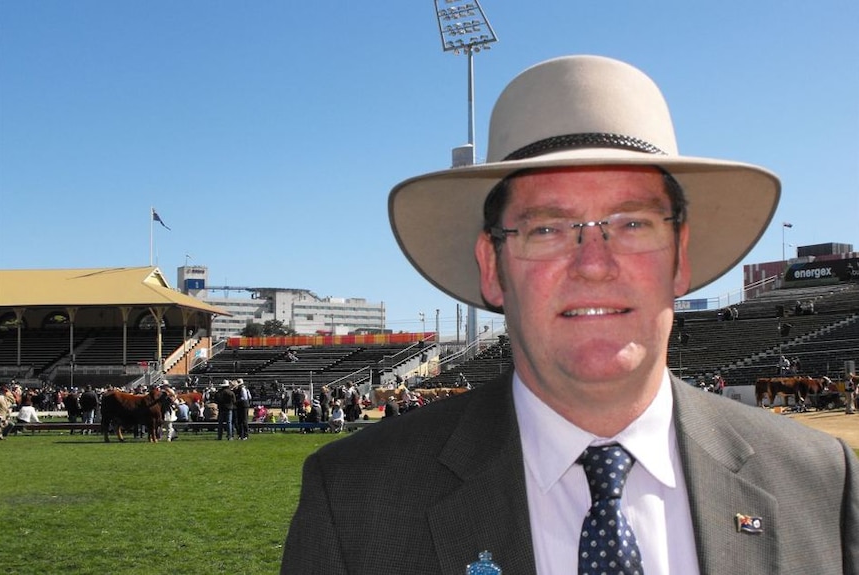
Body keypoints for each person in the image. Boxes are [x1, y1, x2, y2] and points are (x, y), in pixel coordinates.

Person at [281, 55, 858, 574]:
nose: (594, 265)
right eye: (548, 228)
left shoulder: (821, 482)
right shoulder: (355, 500)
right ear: (493, 266)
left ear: (681, 257)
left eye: (633, 223)